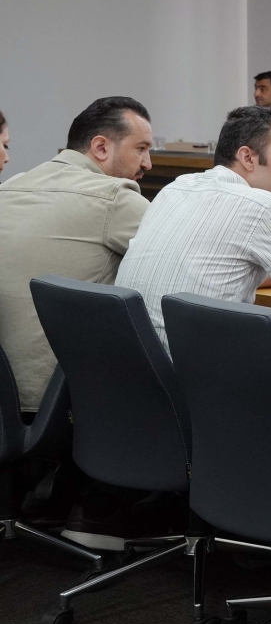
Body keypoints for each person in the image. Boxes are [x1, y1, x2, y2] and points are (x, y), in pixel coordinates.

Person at [117, 105, 271, 344]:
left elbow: (213, 270)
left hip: (134, 361)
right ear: (248, 157)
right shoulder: (264, 205)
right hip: (198, 364)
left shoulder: (175, 188)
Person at [0, 98, 154, 412]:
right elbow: (186, 260)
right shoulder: (114, 197)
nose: (148, 163)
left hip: (8, 403)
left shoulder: (11, 186)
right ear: (101, 147)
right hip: (60, 404)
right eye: (141, 148)